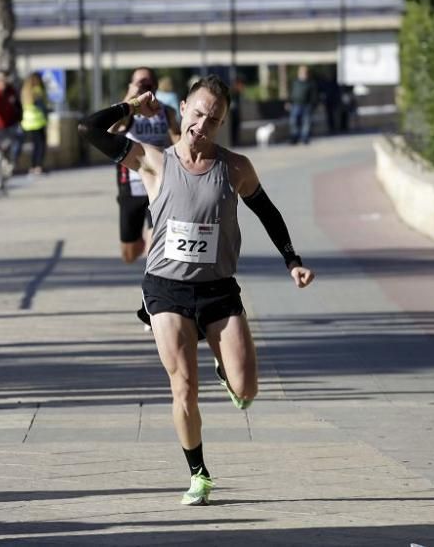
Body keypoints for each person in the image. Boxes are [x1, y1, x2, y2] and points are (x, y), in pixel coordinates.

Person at [78, 75, 315, 506]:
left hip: (218, 289)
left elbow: (268, 212)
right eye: (199, 112)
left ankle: (228, 373)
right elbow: (88, 130)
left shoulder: (236, 167)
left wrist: (292, 261)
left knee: (247, 391)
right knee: (183, 385)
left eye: (214, 119)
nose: (203, 124)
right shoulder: (153, 161)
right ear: (183, 108)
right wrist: (131, 106)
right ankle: (198, 473)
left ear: (222, 123)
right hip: (166, 290)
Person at [111, 67, 180, 264]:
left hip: (159, 184)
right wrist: (130, 99)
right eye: (140, 83)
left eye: (148, 84)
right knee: (129, 254)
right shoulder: (125, 111)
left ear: (156, 87)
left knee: (155, 246)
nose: (144, 87)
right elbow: (110, 130)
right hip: (131, 184)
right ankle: (137, 242)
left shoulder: (166, 112)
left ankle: (154, 272)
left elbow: (178, 140)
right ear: (131, 85)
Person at [20, 72, 49, 175]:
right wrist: (48, 112)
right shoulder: (37, 91)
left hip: (28, 123)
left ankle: (32, 166)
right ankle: (39, 166)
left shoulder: (25, 92)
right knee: (41, 145)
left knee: (34, 146)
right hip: (38, 122)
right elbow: (41, 106)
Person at [287, 65, 318, 145]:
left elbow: (314, 96)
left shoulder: (311, 83)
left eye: (305, 72)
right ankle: (294, 137)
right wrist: (288, 102)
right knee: (293, 121)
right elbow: (291, 93)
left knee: (306, 122)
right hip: (296, 104)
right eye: (301, 72)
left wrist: (313, 105)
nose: (303, 73)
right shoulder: (295, 82)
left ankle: (305, 138)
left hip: (307, 105)